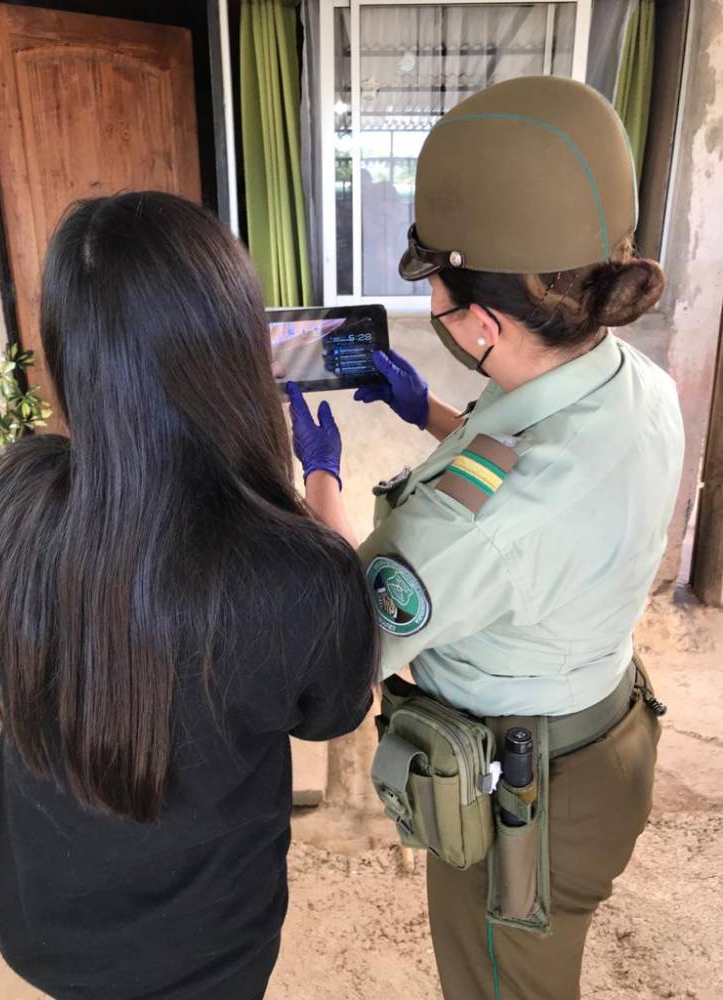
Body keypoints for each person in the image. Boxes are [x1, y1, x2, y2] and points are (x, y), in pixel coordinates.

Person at [287, 75, 684, 1000]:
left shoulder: (470, 534)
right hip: (604, 734)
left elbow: (340, 645)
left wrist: (318, 478)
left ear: (479, 322)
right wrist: (426, 409)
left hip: (522, 802)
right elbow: (529, 462)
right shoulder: (637, 383)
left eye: (439, 291)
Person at [0, 191, 378, 1000]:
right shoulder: (296, 574)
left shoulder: (14, 492)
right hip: (202, 947)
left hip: (43, 917)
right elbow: (337, 708)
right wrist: (321, 482)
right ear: (234, 348)